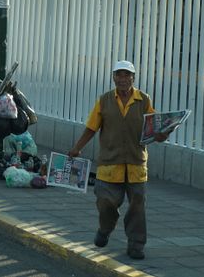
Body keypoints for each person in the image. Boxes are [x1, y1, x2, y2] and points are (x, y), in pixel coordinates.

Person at [68, 60, 170, 260]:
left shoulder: (144, 100)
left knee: (137, 207)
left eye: (126, 75)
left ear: (133, 78)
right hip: (110, 163)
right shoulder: (104, 100)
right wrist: (77, 148)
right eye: (118, 75)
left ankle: (136, 245)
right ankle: (105, 228)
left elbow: (155, 128)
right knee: (105, 202)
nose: (122, 79)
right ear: (113, 77)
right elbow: (91, 127)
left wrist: (162, 134)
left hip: (136, 163)